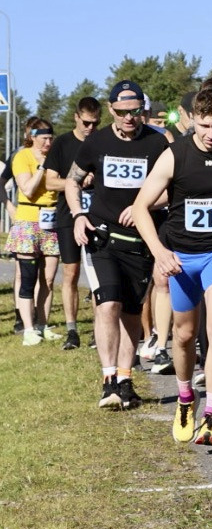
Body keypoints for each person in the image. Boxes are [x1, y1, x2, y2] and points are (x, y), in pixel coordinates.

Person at [131, 88, 212, 446]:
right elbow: (140, 207)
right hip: (182, 257)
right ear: (193, 119)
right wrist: (159, 252)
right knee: (183, 335)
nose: (211, 134)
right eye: (205, 126)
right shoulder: (175, 155)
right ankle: (185, 398)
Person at [66, 80, 171, 409]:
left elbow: (174, 189)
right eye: (122, 112)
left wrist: (143, 206)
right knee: (108, 303)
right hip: (102, 237)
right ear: (111, 110)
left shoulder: (158, 142)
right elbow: (72, 181)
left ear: (143, 110)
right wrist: (78, 214)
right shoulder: (96, 141)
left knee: (131, 311)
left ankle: (125, 380)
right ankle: (108, 379)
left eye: (135, 111)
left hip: (140, 240)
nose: (129, 118)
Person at [44, 97, 101, 350]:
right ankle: (72, 330)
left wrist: (95, 177)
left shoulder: (102, 142)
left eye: (95, 123)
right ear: (76, 117)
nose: (90, 128)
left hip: (97, 216)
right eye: (86, 122)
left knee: (98, 274)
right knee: (71, 272)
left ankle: (99, 330)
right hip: (69, 216)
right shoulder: (62, 143)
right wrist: (75, 181)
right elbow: (49, 182)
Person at [6, 117, 62, 346]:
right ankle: (28, 328)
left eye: (51, 138)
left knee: (48, 278)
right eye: (44, 139)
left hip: (51, 221)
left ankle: (43, 325)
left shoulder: (56, 156)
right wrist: (42, 167)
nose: (48, 143)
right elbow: (28, 189)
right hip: (28, 221)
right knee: (27, 278)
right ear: (33, 138)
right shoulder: (22, 157)